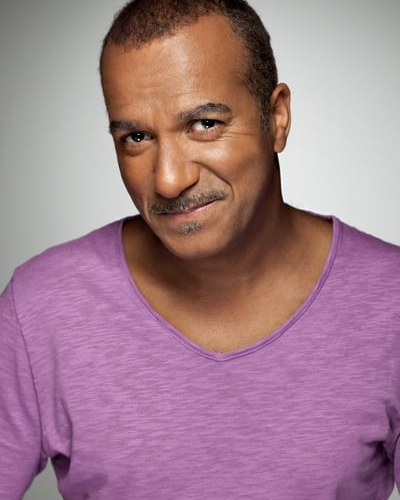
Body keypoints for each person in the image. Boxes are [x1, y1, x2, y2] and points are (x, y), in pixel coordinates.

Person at [1, 0, 399, 498]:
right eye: (137, 137)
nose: (169, 181)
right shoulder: (40, 308)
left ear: (277, 118)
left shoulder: (391, 304)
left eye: (205, 124)